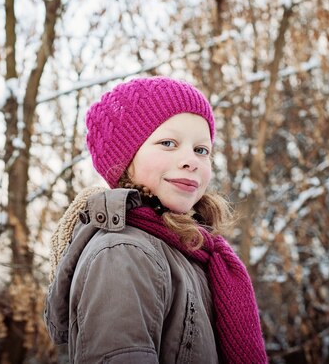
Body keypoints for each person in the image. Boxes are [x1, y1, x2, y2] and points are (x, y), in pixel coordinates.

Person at [44, 76, 267, 363]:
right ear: (125, 160)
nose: (191, 160)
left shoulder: (191, 251)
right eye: (168, 143)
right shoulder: (123, 253)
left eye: (202, 150)